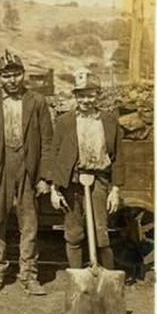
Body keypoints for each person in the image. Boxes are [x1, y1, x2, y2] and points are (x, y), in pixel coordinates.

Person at [0, 50, 53, 295]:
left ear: (23, 75)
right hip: (1, 167)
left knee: (29, 223)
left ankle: (29, 275)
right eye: (6, 76)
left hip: (28, 167)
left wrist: (44, 177)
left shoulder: (37, 102)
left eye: (16, 75)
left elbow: (48, 142)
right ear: (0, 78)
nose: (12, 80)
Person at [48, 71, 122, 270]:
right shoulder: (65, 122)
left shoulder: (109, 121)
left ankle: (106, 276)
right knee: (74, 232)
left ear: (98, 95)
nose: (86, 100)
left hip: (99, 181)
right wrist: (55, 189)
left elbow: (117, 157)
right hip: (71, 182)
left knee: (100, 233)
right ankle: (77, 277)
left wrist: (115, 190)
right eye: (81, 95)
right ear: (76, 96)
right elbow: (54, 156)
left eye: (90, 95)